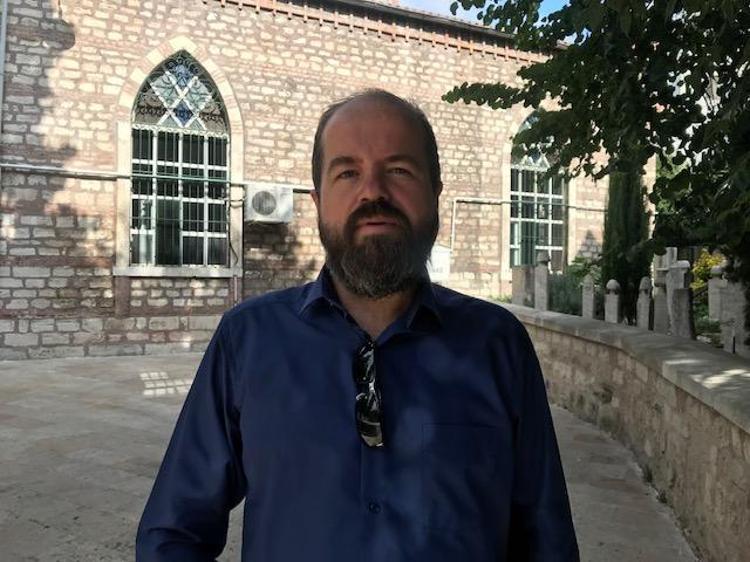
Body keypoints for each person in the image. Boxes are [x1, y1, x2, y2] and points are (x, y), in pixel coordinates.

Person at [136, 89, 579, 561]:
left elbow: (545, 539)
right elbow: (173, 533)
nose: (373, 192)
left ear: (435, 193)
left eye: (399, 170)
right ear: (318, 201)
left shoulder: (496, 344)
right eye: (347, 172)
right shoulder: (248, 340)